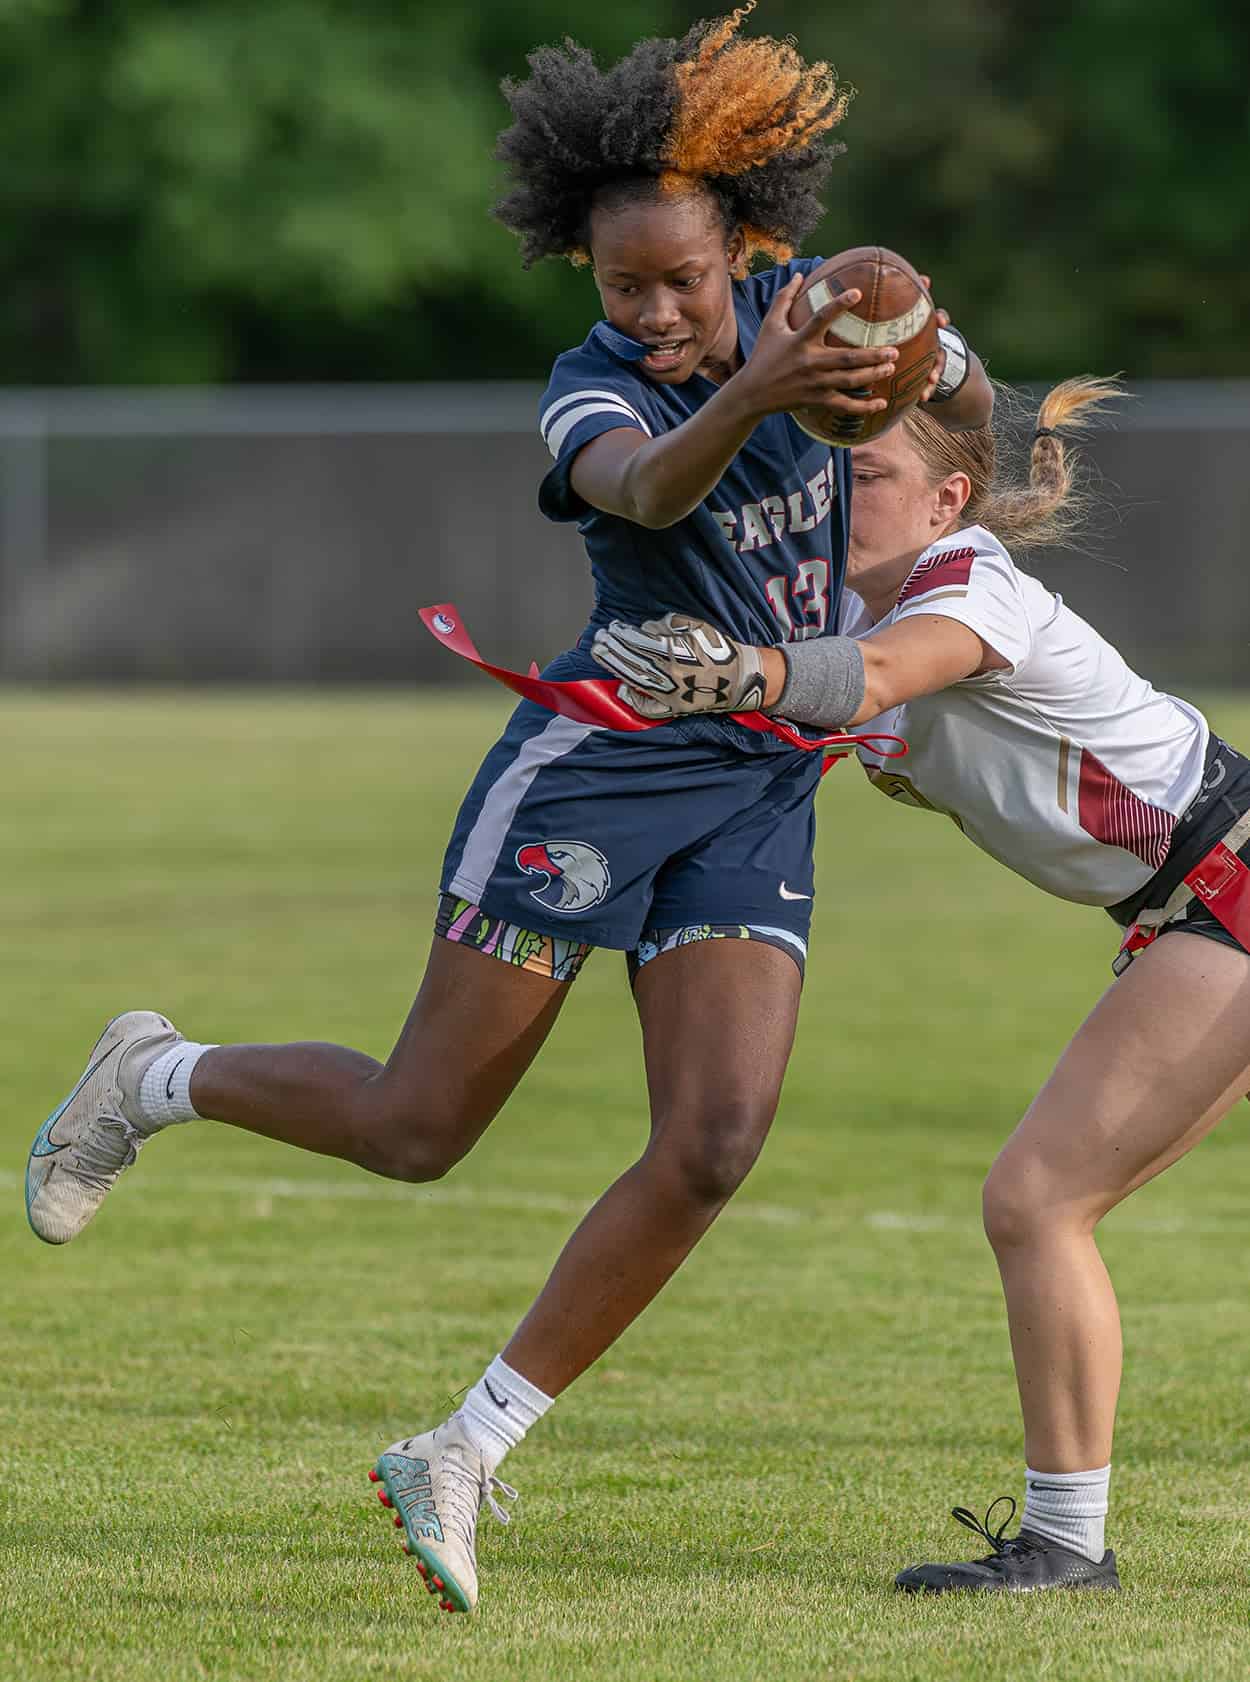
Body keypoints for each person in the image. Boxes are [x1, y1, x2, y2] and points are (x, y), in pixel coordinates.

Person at [22, 5, 993, 1616]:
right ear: (589, 282)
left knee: (715, 1137)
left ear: (745, 244)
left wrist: (920, 350)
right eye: (628, 283)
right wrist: (750, 385)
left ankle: (463, 1446)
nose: (660, 306)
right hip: (598, 767)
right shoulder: (594, 388)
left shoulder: (795, 330)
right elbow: (646, 487)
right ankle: (155, 1072)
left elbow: (931, 390)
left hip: (754, 774)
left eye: (686, 277)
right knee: (419, 1129)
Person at [590, 376, 1250, 1594]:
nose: (838, 494)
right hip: (1196, 906)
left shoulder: (965, 584)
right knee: (1041, 1201)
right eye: (827, 469)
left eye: (871, 472)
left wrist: (739, 669)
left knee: (1036, 1197)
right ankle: (1063, 1543)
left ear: (949, 499)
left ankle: (1062, 1547)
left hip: (1229, 885)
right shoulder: (839, 612)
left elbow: (883, 674)